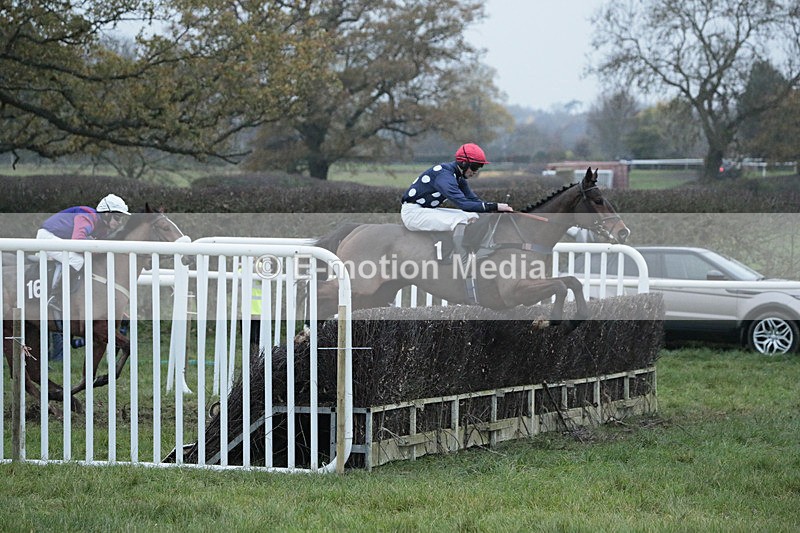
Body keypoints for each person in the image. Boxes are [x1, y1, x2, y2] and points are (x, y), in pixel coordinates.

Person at [401, 143, 513, 259]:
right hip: (413, 214)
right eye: (474, 167)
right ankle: (463, 261)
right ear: (463, 163)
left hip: (425, 211)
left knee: (473, 215)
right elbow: (464, 204)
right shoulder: (445, 176)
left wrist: (496, 210)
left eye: (479, 167)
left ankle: (480, 251)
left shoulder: (458, 177)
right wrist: (495, 206)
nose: (475, 172)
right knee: (460, 219)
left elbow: (473, 201)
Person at [37, 193, 131, 293]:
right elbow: (78, 242)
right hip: (47, 236)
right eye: (117, 217)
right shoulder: (87, 216)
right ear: (107, 214)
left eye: (121, 218)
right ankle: (56, 295)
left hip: (60, 239)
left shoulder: (102, 227)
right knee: (77, 260)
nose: (120, 222)